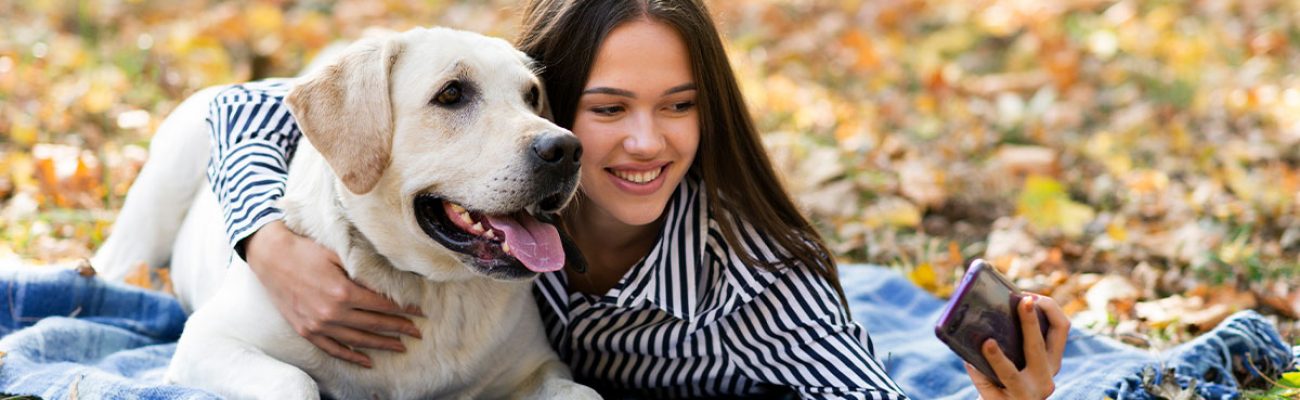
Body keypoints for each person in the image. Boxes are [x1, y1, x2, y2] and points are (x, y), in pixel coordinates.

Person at [203, 0, 1070, 398]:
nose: (646, 143)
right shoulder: (502, 204)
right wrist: (261, 240)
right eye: (608, 110)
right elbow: (238, 106)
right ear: (572, 101)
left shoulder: (765, 285)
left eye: (680, 107)